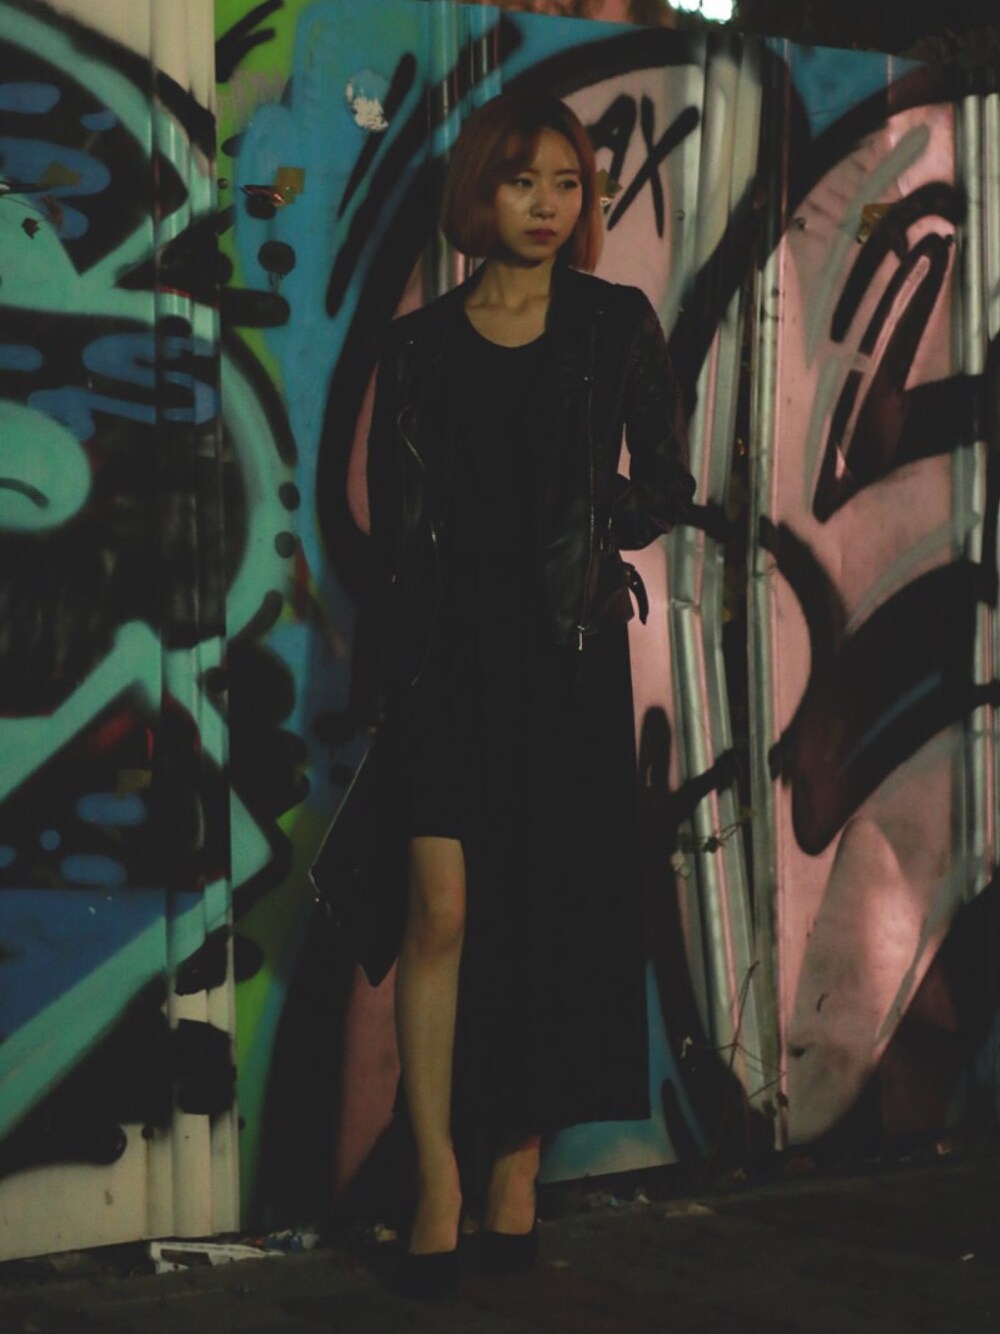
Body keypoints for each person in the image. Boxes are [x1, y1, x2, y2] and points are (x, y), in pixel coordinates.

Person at [362, 89, 694, 1296]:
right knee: (440, 911)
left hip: (563, 659)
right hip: (443, 664)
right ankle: (435, 1176)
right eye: (522, 182)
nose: (547, 205)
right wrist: (385, 681)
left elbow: (667, 479)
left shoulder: (614, 324)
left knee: (545, 916)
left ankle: (514, 1172)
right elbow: (393, 535)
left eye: (566, 183)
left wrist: (597, 530)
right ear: (480, 194)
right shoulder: (417, 347)